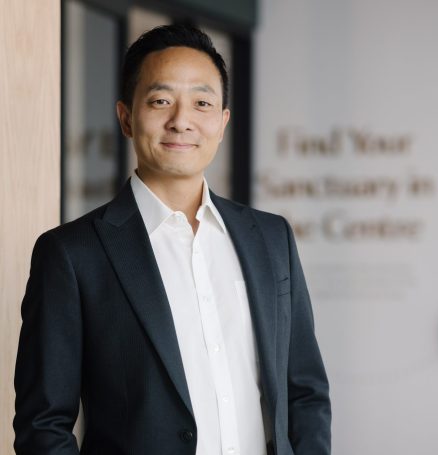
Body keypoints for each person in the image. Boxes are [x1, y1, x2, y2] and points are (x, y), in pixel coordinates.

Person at [14, 24, 331, 455]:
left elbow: (305, 392)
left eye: (202, 103)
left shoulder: (271, 238)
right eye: (161, 101)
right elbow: (43, 424)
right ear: (126, 117)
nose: (181, 120)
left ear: (222, 124)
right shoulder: (72, 254)